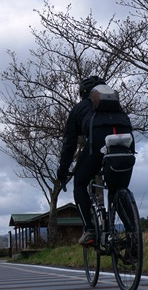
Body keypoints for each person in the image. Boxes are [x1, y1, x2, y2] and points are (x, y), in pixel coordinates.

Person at [57, 76, 134, 245]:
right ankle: (133, 236)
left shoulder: (79, 108)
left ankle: (90, 230)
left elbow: (69, 144)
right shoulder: (118, 109)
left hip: (97, 147)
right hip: (124, 148)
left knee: (79, 183)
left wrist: (62, 172)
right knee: (118, 190)